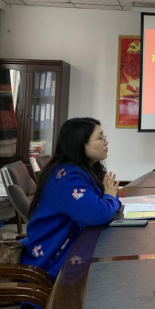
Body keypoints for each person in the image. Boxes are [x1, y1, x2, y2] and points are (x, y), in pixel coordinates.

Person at [21, 117, 121, 278]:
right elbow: (98, 214)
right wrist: (109, 198)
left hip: (77, 245)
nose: (106, 142)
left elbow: (112, 198)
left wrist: (109, 199)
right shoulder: (66, 177)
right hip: (53, 259)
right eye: (101, 138)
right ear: (80, 143)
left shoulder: (91, 169)